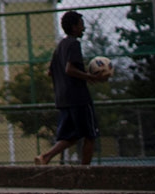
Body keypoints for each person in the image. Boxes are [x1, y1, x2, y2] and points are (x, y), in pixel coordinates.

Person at [34, 10, 108, 165]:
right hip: (79, 98)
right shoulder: (74, 44)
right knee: (90, 135)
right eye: (81, 25)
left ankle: (45, 157)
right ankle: (84, 171)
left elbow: (50, 72)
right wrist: (91, 77)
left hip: (64, 99)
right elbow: (69, 69)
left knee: (72, 136)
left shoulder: (61, 45)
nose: (84, 28)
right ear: (74, 27)